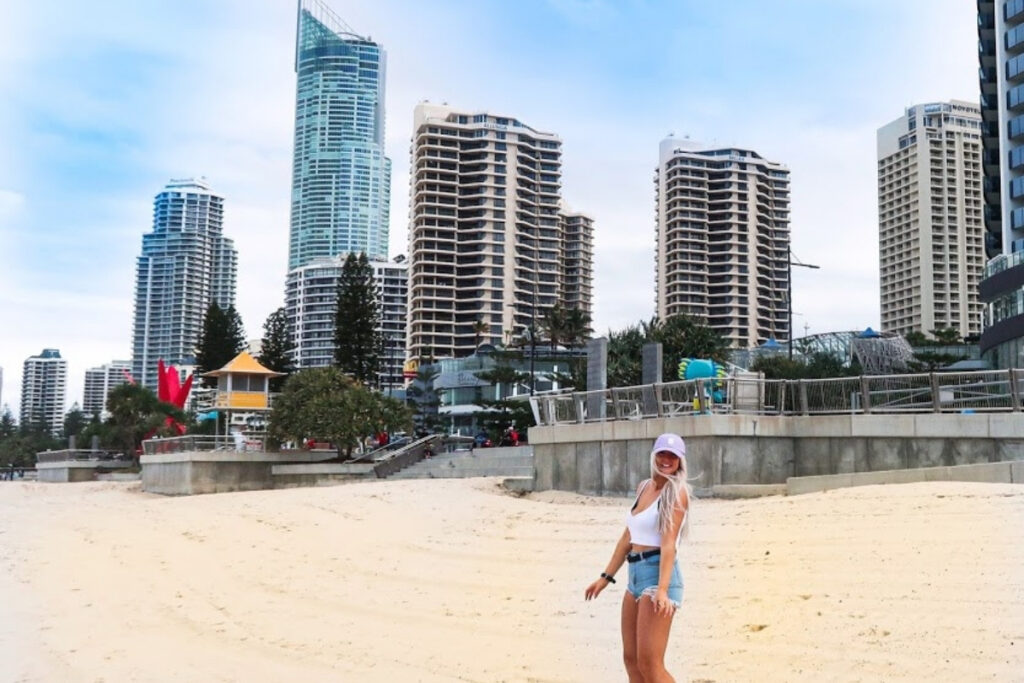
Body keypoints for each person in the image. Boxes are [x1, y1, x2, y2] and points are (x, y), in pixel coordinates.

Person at [584, 433, 690, 682]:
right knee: (631, 661)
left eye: (673, 456)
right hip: (634, 575)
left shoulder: (676, 492)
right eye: (662, 453)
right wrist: (605, 577)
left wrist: (662, 590)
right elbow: (627, 538)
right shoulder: (644, 487)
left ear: (680, 461)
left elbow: (668, 545)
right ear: (654, 455)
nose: (666, 460)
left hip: (658, 575)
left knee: (651, 664)